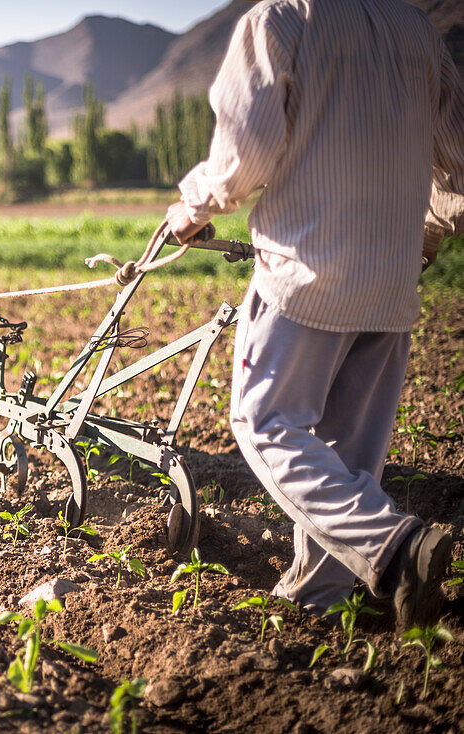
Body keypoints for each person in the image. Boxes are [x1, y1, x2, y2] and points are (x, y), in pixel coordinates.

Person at [165, 0, 464, 626]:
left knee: (264, 424)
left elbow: (244, 156)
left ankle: (398, 547)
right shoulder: (417, 32)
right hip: (391, 282)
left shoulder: (278, 22)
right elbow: (458, 162)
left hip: (306, 274)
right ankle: (322, 599)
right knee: (349, 454)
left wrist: (193, 205)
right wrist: (428, 233)